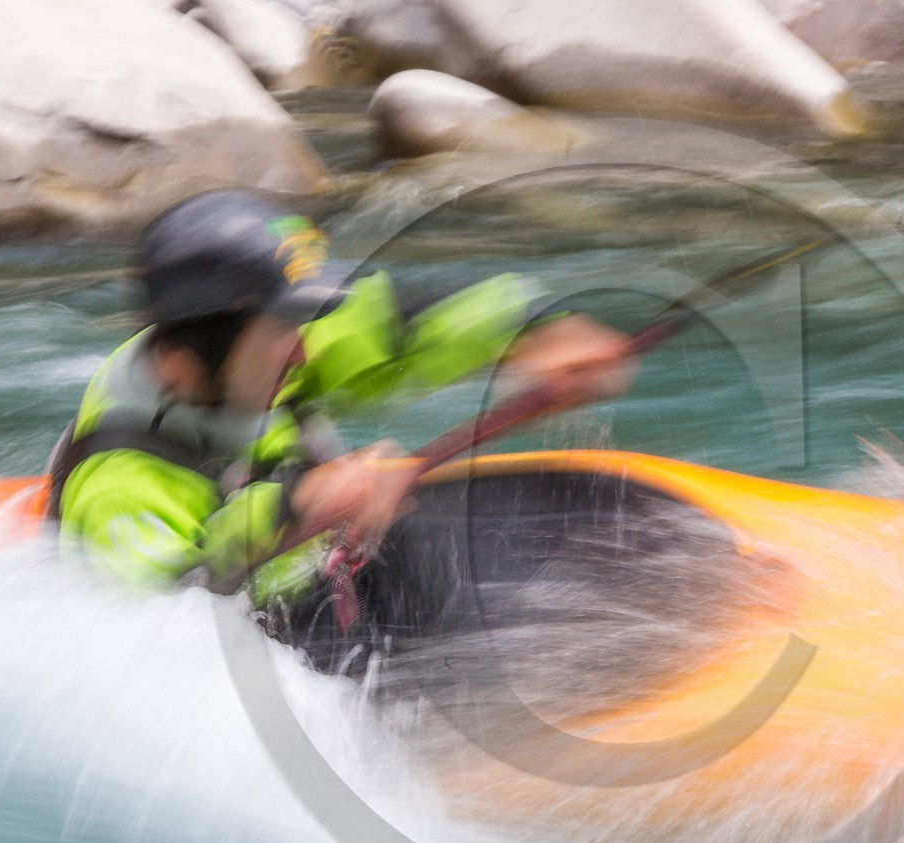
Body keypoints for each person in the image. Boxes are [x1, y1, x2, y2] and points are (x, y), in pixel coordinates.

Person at [48, 190, 632, 616]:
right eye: (284, 333)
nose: (306, 352)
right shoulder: (118, 483)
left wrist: (528, 333)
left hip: (318, 571)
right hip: (262, 630)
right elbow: (167, 609)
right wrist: (299, 505)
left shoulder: (248, 347)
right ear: (186, 359)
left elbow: (388, 325)